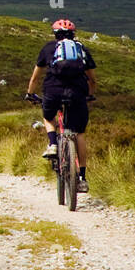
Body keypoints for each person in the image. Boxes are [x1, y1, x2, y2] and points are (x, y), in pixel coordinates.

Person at [25, 19, 96, 192]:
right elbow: (92, 79)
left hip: (53, 90)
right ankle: (82, 177)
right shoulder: (81, 50)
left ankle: (53, 144)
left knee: (48, 117)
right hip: (77, 92)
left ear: (55, 34)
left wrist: (30, 94)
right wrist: (90, 95)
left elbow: (35, 78)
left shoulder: (49, 48)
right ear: (73, 34)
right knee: (79, 133)